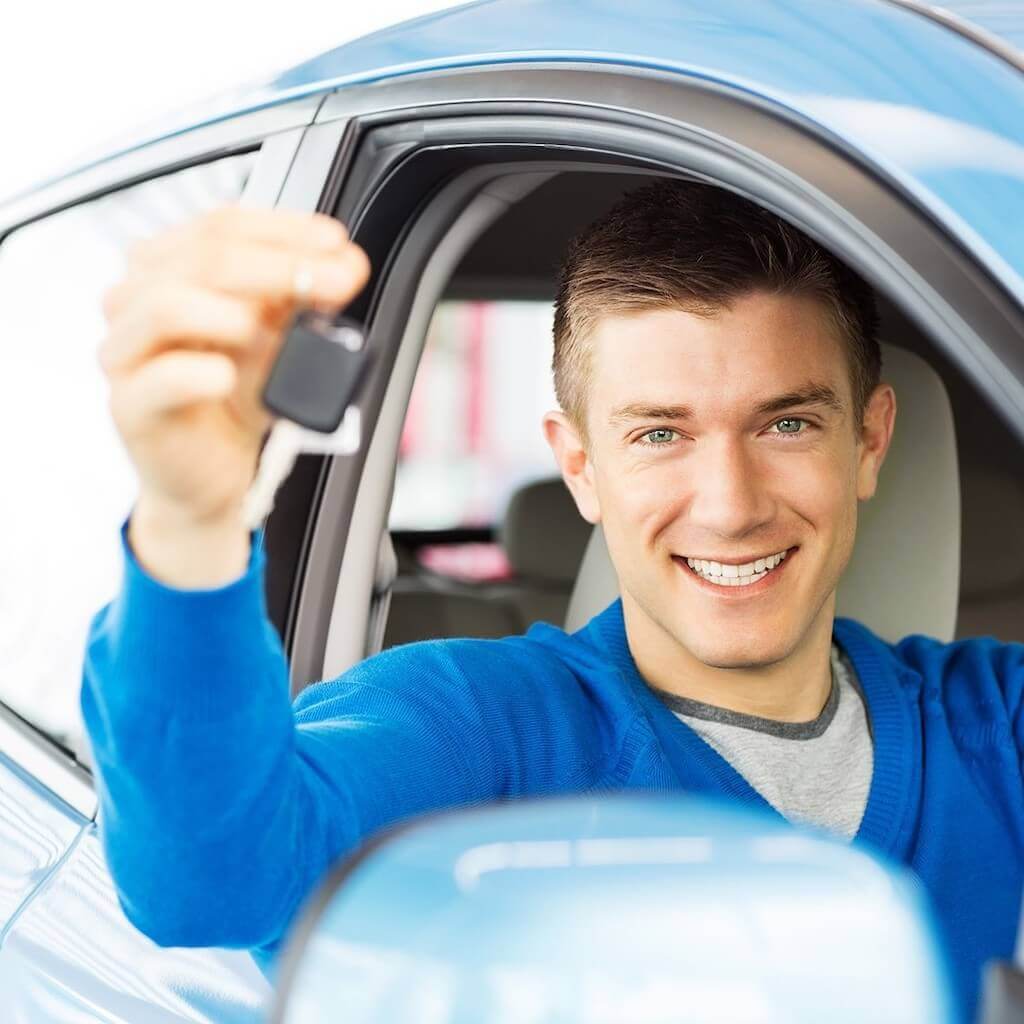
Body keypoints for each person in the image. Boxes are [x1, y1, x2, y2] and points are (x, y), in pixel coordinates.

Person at [82, 180, 1022, 1020]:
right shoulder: (481, 727)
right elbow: (207, 879)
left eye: (786, 422)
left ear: (868, 441)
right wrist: (188, 521)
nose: (732, 506)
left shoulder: (993, 719)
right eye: (660, 435)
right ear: (580, 465)